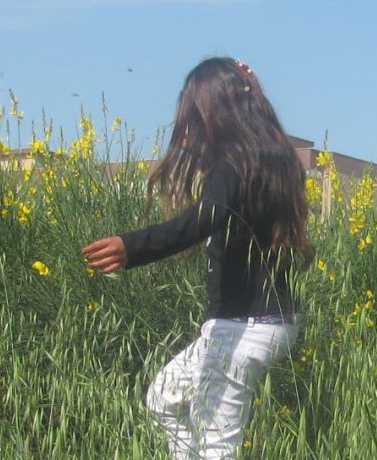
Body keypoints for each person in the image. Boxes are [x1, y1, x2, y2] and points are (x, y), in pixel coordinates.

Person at [82, 56, 311, 459]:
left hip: (240, 328)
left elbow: (202, 220)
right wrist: (252, 90)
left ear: (213, 116)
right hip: (264, 323)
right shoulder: (274, 162)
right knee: (162, 400)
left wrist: (132, 247)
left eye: (193, 114)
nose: (185, 127)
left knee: (216, 446)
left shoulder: (230, 166)